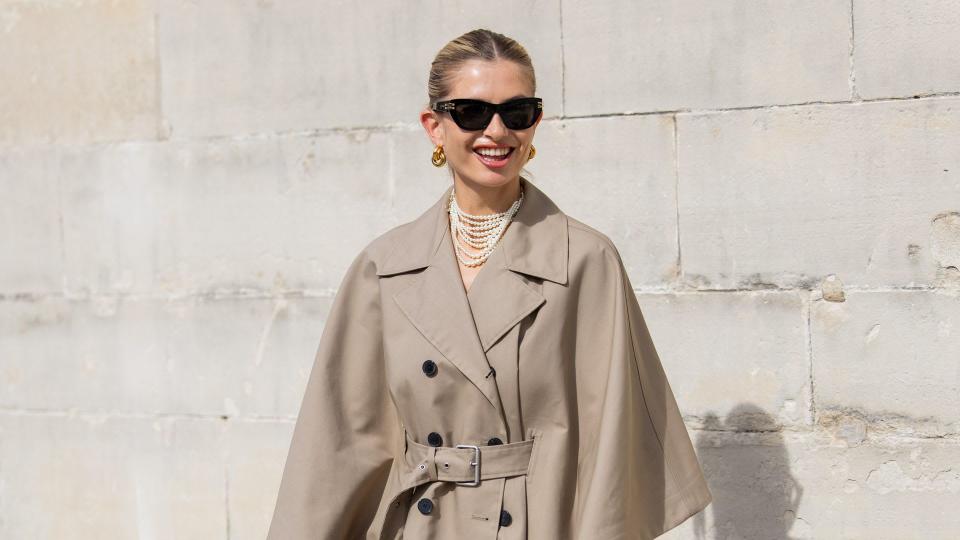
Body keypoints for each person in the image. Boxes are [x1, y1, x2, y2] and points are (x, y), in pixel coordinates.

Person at [266, 28, 712, 539]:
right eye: (472, 112)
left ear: (536, 123)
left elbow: (611, 444)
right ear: (434, 126)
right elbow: (338, 443)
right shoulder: (385, 268)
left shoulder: (584, 263)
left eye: (516, 112)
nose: (496, 131)